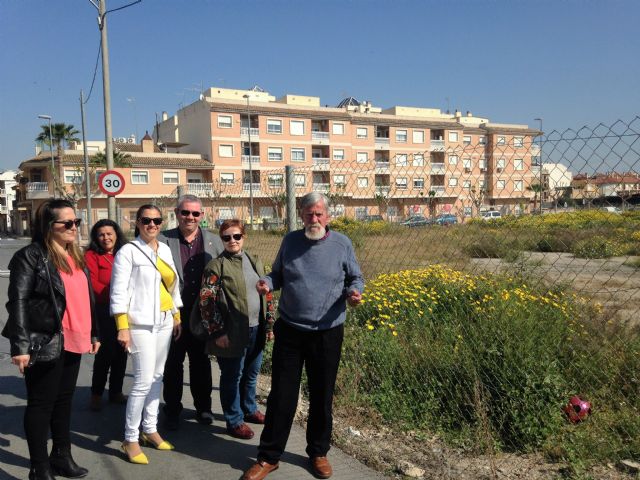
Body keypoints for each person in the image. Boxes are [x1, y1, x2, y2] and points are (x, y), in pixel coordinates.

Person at [242, 192, 364, 480]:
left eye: (319, 214)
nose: (314, 219)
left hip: (327, 332)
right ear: (302, 216)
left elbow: (355, 278)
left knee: (322, 395)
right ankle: (269, 457)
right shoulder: (291, 241)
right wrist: (267, 283)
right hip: (291, 331)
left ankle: (318, 453)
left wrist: (354, 293)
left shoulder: (342, 244)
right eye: (309, 214)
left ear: (328, 216)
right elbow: (278, 275)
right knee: (281, 396)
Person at [3, 199, 100, 480]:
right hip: (45, 339)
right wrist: (20, 346)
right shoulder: (30, 256)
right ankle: (39, 467)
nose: (74, 227)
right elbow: (17, 301)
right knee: (41, 404)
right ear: (49, 226)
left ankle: (61, 455)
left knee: (64, 400)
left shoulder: (76, 255)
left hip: (76, 337)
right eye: (67, 223)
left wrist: (94, 331)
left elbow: (86, 298)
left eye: (76, 222)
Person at [110, 205, 182, 465]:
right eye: (146, 220)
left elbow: (173, 284)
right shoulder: (128, 251)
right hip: (139, 323)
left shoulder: (163, 249)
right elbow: (118, 291)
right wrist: (122, 326)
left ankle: (150, 429)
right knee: (141, 381)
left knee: (157, 377)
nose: (152, 224)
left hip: (164, 320)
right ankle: (130, 438)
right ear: (137, 223)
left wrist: (176, 315)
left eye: (156, 220)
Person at [197, 219, 275, 440]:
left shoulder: (254, 260)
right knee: (232, 376)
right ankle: (234, 420)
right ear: (221, 240)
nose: (232, 241)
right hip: (231, 332)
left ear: (244, 237)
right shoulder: (216, 266)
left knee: (251, 375)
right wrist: (217, 332)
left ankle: (249, 410)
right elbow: (206, 302)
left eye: (236, 236)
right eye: (226, 237)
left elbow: (267, 294)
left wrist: (269, 325)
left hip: (256, 328)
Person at [159, 194, 224, 429]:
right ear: (176, 214)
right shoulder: (162, 240)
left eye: (195, 213)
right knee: (173, 363)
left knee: (201, 362)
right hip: (173, 313)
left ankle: (203, 408)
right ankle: (173, 409)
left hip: (202, 314)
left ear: (202, 216)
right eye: (185, 212)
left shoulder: (214, 242)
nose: (190, 217)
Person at [86, 219, 127, 411]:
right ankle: (96, 394)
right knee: (105, 354)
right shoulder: (92, 255)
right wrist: (118, 294)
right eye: (101, 234)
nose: (106, 238)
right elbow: (93, 284)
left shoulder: (125, 252)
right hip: (103, 311)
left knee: (122, 352)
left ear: (116, 234)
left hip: (125, 311)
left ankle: (116, 392)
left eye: (109, 233)